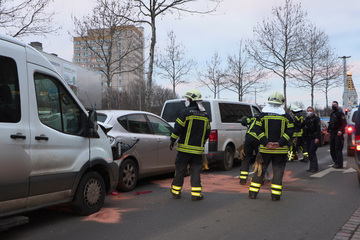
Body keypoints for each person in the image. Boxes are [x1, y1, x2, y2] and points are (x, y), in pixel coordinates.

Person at [248, 92, 294, 201]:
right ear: (281, 102)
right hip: (281, 150)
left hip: (265, 150)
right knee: (278, 172)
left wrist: (266, 143)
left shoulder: (262, 115)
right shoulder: (286, 117)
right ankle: (275, 195)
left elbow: (257, 130)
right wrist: (279, 143)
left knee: (260, 170)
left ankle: (253, 193)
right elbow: (290, 131)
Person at [169, 89, 211, 201]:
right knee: (196, 171)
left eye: (187, 99)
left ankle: (175, 192)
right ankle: (196, 195)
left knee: (180, 170)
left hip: (184, 149)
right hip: (197, 150)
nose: (186, 101)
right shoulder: (205, 115)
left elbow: (177, 128)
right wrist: (202, 143)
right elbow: (207, 132)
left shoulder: (185, 113)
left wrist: (172, 140)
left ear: (191, 100)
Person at [239, 115, 260, 185]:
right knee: (259, 159)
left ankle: (243, 179)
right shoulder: (265, 120)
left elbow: (244, 121)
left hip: (249, 137)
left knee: (246, 157)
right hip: (259, 139)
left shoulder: (253, 118)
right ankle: (260, 178)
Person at [301, 107, 321, 172]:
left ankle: (315, 167)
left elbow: (318, 129)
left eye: (310, 110)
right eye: (308, 110)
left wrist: (317, 138)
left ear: (313, 111)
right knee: (309, 152)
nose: (309, 112)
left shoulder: (316, 119)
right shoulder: (306, 119)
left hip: (314, 137)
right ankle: (311, 167)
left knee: (312, 152)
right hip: (308, 137)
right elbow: (301, 126)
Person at [328, 101, 347, 169]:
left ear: (337, 106)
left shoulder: (340, 113)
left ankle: (339, 164)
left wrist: (340, 130)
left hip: (338, 133)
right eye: (332, 105)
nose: (333, 106)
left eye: (335, 105)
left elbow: (344, 123)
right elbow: (330, 123)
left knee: (337, 148)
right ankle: (336, 162)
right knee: (332, 149)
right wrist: (328, 131)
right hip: (332, 133)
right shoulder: (332, 114)